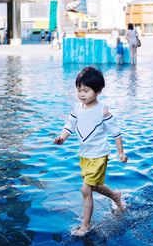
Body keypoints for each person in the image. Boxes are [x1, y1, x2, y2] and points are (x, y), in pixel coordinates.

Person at [54, 66, 128, 236]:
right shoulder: (77, 108)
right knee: (95, 186)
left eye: (86, 90)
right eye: (79, 90)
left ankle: (85, 226)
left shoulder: (102, 111)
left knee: (85, 189)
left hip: (99, 155)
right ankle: (115, 196)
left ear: (98, 90)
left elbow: (116, 132)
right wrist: (62, 138)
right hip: (85, 156)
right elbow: (69, 126)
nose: (82, 94)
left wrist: (120, 153)